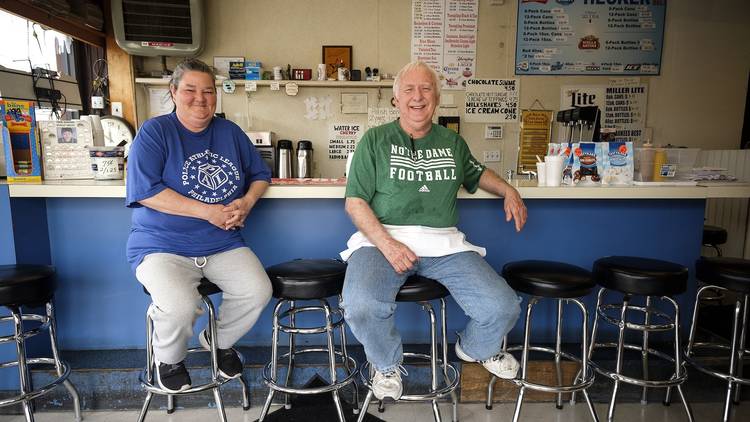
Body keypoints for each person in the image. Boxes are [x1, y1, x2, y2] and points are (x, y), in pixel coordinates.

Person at [341, 61, 527, 401]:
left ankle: (475, 348)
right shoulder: (375, 140)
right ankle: (385, 365)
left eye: (426, 89)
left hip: (445, 244)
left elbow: (477, 172)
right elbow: (355, 203)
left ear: (437, 99)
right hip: (382, 241)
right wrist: (388, 245)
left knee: (503, 306)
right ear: (395, 99)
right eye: (409, 89)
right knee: (360, 305)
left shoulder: (452, 142)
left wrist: (509, 190)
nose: (417, 96)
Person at [125, 58, 273, 393]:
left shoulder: (229, 132)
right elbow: (146, 191)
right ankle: (169, 359)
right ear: (173, 92)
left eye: (208, 91)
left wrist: (246, 203)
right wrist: (208, 211)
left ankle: (217, 342)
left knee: (257, 290)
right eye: (190, 90)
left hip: (222, 242)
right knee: (180, 305)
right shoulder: (155, 131)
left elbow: (260, 175)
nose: (200, 98)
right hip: (160, 245)